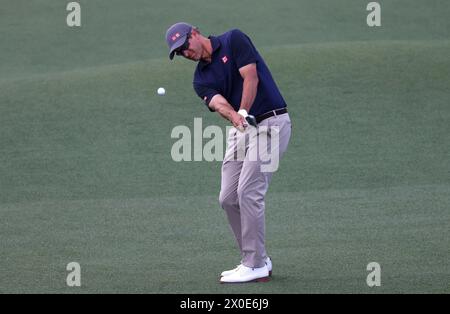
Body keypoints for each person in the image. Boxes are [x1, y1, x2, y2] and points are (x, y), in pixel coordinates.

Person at [165, 22, 291, 283]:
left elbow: (251, 77)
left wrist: (243, 111)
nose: (186, 54)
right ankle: (256, 259)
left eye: (185, 46)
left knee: (248, 191)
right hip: (242, 130)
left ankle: (254, 264)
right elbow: (218, 102)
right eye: (180, 53)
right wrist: (234, 116)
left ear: (196, 33)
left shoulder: (234, 40)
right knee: (228, 197)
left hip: (271, 124)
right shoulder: (200, 79)